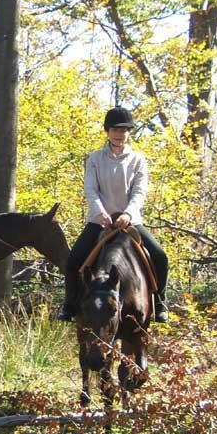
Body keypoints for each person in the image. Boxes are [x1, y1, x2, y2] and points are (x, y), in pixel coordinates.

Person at [57, 106, 169, 322]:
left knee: (160, 257)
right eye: (115, 130)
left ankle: (161, 303)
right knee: (73, 260)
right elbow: (90, 188)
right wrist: (99, 212)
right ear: (107, 131)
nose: (119, 134)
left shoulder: (138, 159)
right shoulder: (94, 159)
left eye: (124, 130)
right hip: (100, 221)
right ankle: (69, 305)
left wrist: (128, 213)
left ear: (129, 133)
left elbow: (139, 190)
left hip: (130, 221)